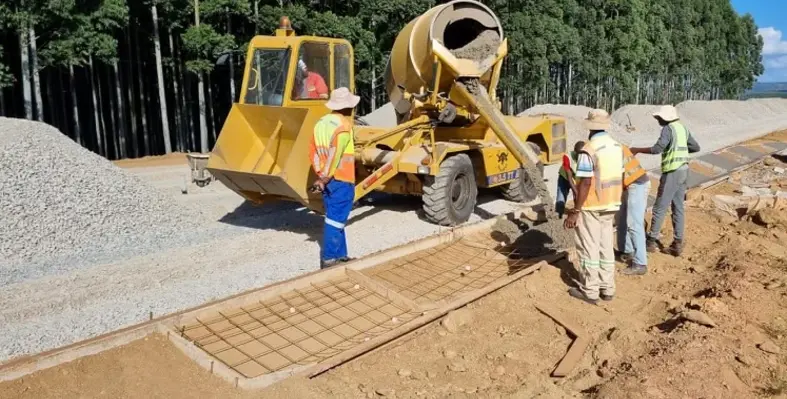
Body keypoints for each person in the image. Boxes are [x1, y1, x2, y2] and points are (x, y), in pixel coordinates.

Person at [564, 109, 624, 305]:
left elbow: (586, 183)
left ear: (590, 129)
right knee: (606, 246)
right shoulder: (616, 146)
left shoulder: (589, 150)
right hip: (612, 203)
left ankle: (590, 290)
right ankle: (608, 288)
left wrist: (576, 210)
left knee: (588, 247)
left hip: (592, 205)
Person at [630, 105, 700, 257]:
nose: (658, 120)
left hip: (672, 172)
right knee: (678, 207)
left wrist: (636, 149)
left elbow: (657, 149)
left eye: (659, 118)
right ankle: (678, 243)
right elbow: (695, 147)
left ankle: (651, 241)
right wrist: (680, 148)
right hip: (684, 170)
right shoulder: (682, 128)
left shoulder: (668, 129)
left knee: (660, 207)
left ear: (665, 118)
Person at [308, 87, 359, 268]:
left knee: (334, 218)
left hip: (327, 178)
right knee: (336, 219)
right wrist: (326, 178)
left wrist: (319, 173)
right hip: (340, 179)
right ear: (347, 108)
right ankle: (330, 258)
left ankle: (341, 255)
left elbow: (313, 152)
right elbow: (335, 154)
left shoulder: (320, 123)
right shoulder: (343, 127)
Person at [617, 144, 650, 275]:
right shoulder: (615, 146)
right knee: (622, 219)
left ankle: (640, 263)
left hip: (637, 184)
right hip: (630, 184)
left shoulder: (608, 152)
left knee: (634, 224)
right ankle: (628, 251)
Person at [555, 141, 585, 218]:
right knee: (561, 196)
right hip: (564, 177)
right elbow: (569, 178)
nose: (581, 156)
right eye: (579, 154)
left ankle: (577, 214)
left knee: (577, 196)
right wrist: (576, 192)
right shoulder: (567, 157)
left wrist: (578, 195)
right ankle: (559, 215)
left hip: (576, 178)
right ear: (575, 151)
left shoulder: (586, 157)